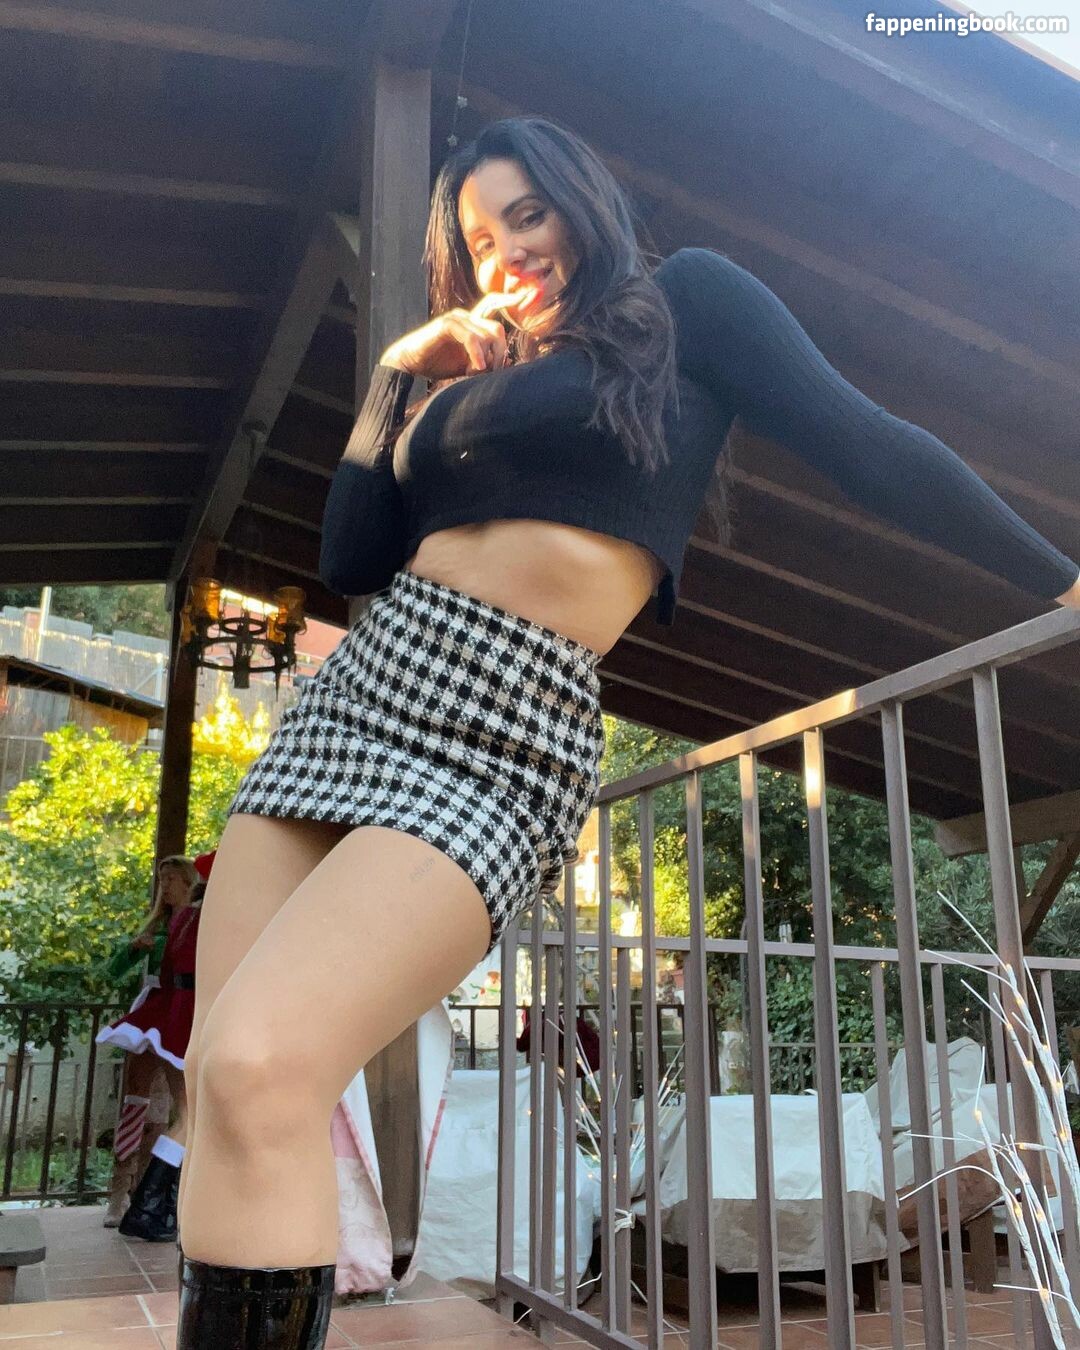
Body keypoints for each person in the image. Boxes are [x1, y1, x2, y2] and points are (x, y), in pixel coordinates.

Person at [173, 116, 1080, 1347]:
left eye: (528, 214)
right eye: (480, 241)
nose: (509, 253)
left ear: (582, 204)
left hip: (500, 728)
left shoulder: (684, 306)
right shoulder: (467, 380)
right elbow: (352, 554)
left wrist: (1059, 580)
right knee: (221, 1085)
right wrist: (398, 376)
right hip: (353, 704)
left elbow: (871, 445)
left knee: (258, 1062)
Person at [97, 850, 215, 1241]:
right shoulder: (162, 926)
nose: (165, 887)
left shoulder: (195, 921)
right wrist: (134, 949)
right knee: (139, 1102)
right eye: (161, 880)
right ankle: (122, 1195)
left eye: (171, 880)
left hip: (176, 1017)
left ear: (188, 881)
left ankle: (151, 1196)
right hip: (155, 1016)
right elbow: (112, 972)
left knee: (170, 1114)